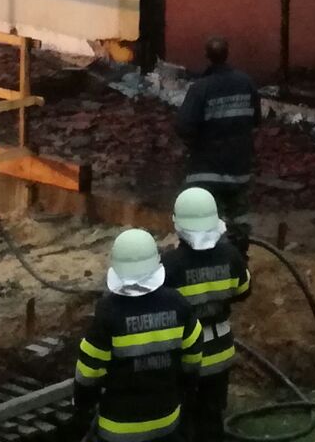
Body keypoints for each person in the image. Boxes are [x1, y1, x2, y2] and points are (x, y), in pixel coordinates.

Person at [68, 229, 202, 442]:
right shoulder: (178, 304)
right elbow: (192, 359)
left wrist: (82, 408)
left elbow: (88, 372)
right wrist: (184, 391)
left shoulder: (107, 312)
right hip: (166, 422)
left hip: (117, 429)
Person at [161, 188, 251, 442]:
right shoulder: (231, 256)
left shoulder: (170, 265)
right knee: (211, 416)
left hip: (184, 358)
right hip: (220, 353)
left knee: (183, 417)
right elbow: (243, 291)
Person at [175, 37, 261, 251]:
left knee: (206, 220)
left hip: (206, 169)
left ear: (207, 56)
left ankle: (213, 259)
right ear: (227, 54)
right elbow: (256, 120)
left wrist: (194, 144)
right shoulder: (246, 83)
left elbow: (184, 126)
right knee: (239, 218)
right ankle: (240, 260)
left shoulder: (200, 88)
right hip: (240, 168)